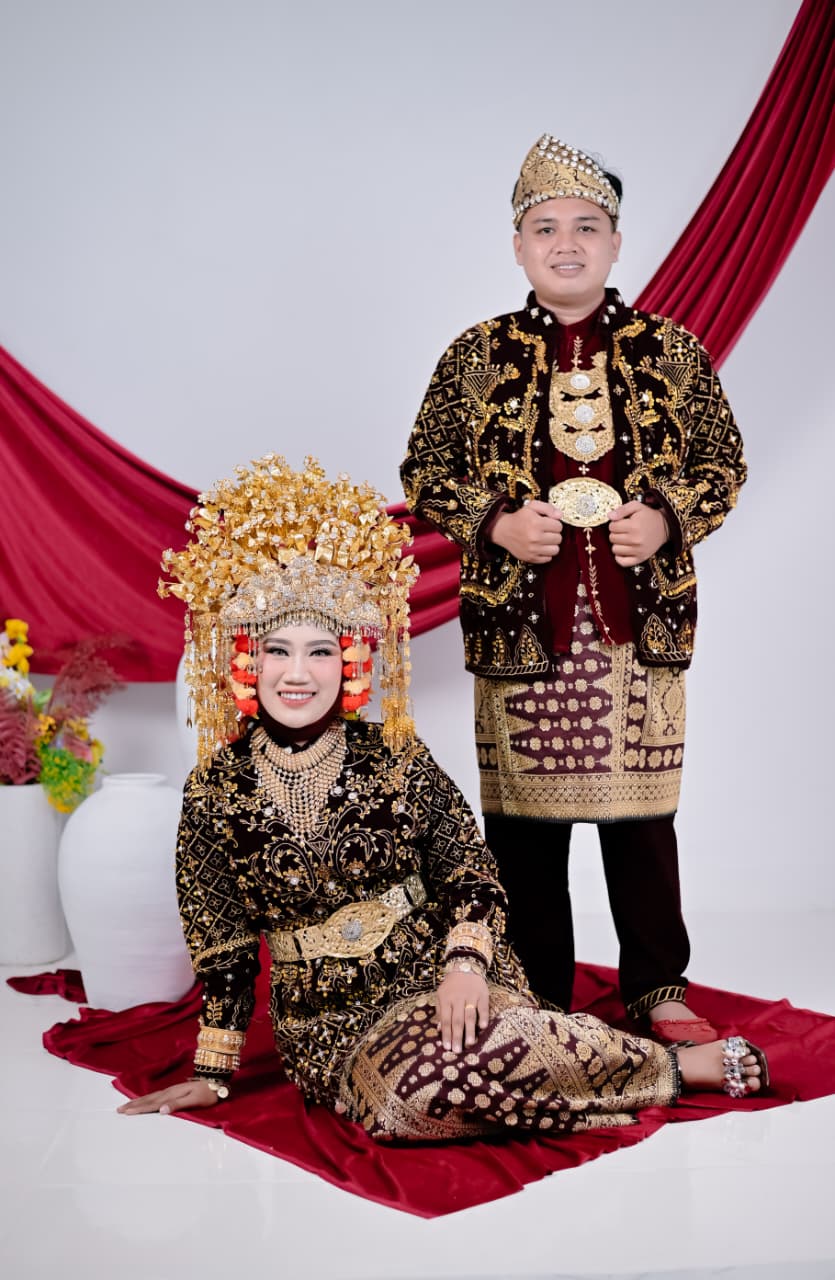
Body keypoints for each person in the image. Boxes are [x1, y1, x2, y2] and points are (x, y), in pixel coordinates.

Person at [118, 455, 765, 1136]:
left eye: (320, 652)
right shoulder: (215, 790)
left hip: (439, 974)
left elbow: (470, 873)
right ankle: (654, 1068)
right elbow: (221, 944)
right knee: (408, 1101)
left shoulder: (393, 756)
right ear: (248, 662)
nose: (297, 674)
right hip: (326, 1023)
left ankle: (665, 1068)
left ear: (349, 663)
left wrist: (464, 967)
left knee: (477, 1048)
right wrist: (212, 1072)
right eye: (278, 651)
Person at [400, 135, 747, 1043]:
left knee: (643, 820)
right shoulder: (475, 355)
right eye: (545, 227)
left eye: (585, 227)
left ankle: (658, 988)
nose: (566, 243)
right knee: (523, 829)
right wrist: (495, 523)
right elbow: (424, 471)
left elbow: (722, 462)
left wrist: (666, 517)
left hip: (638, 624)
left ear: (615, 242)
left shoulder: (670, 351)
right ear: (518, 246)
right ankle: (537, 992)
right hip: (519, 625)